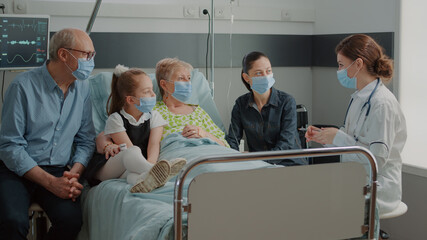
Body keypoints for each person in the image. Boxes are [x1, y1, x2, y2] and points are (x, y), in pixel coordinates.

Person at [0, 28, 96, 240]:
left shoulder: (83, 88)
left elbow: (86, 139)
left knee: (72, 221)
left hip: (59, 171)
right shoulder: (22, 86)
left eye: (92, 55)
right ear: (63, 54)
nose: (91, 61)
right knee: (13, 222)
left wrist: (74, 174)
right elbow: (10, 146)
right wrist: (51, 183)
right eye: (86, 55)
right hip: (17, 171)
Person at [305, 34, 407, 217]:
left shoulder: (382, 104)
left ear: (358, 64)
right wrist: (324, 136)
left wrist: (337, 137)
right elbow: (350, 140)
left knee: (319, 207)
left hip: (379, 187)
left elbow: (375, 160)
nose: (339, 70)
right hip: (356, 179)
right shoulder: (359, 98)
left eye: (341, 65)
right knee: (312, 195)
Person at [86, 65, 186, 193]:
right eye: (146, 91)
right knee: (133, 151)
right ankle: (156, 173)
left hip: (132, 168)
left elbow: (154, 145)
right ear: (131, 100)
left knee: (134, 175)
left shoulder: (154, 116)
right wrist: (152, 168)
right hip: (108, 167)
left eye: (152, 90)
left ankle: (146, 180)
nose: (153, 94)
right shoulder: (116, 119)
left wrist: (151, 163)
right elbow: (128, 148)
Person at [225, 51, 303, 166]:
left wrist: (255, 159)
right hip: (259, 167)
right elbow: (233, 140)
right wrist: (232, 160)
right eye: (258, 73)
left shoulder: (286, 102)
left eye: (268, 71)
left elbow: (286, 145)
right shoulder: (241, 104)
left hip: (290, 164)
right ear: (246, 77)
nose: (265, 76)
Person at [153, 58, 229, 146]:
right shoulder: (155, 111)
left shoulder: (198, 111)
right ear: (164, 84)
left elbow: (224, 145)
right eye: (181, 78)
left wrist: (204, 134)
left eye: (189, 78)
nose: (188, 83)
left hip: (209, 154)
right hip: (180, 155)